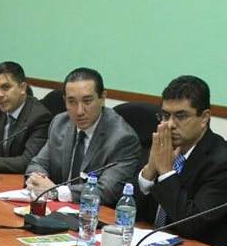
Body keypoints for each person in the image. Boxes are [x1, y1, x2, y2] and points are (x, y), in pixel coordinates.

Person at [137, 76, 227, 240]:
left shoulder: (224, 164)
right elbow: (127, 209)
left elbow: (192, 225)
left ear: (204, 118)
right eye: (165, 115)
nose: (170, 124)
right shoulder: (163, 146)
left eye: (181, 116)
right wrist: (150, 171)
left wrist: (166, 172)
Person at [25, 67, 142, 207]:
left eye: (87, 101)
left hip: (93, 216)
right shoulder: (60, 123)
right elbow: (37, 164)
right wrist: (38, 180)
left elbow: (107, 191)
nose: (79, 111)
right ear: (65, 101)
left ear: (103, 98)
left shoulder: (122, 138)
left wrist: (55, 191)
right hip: (57, 208)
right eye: (72, 102)